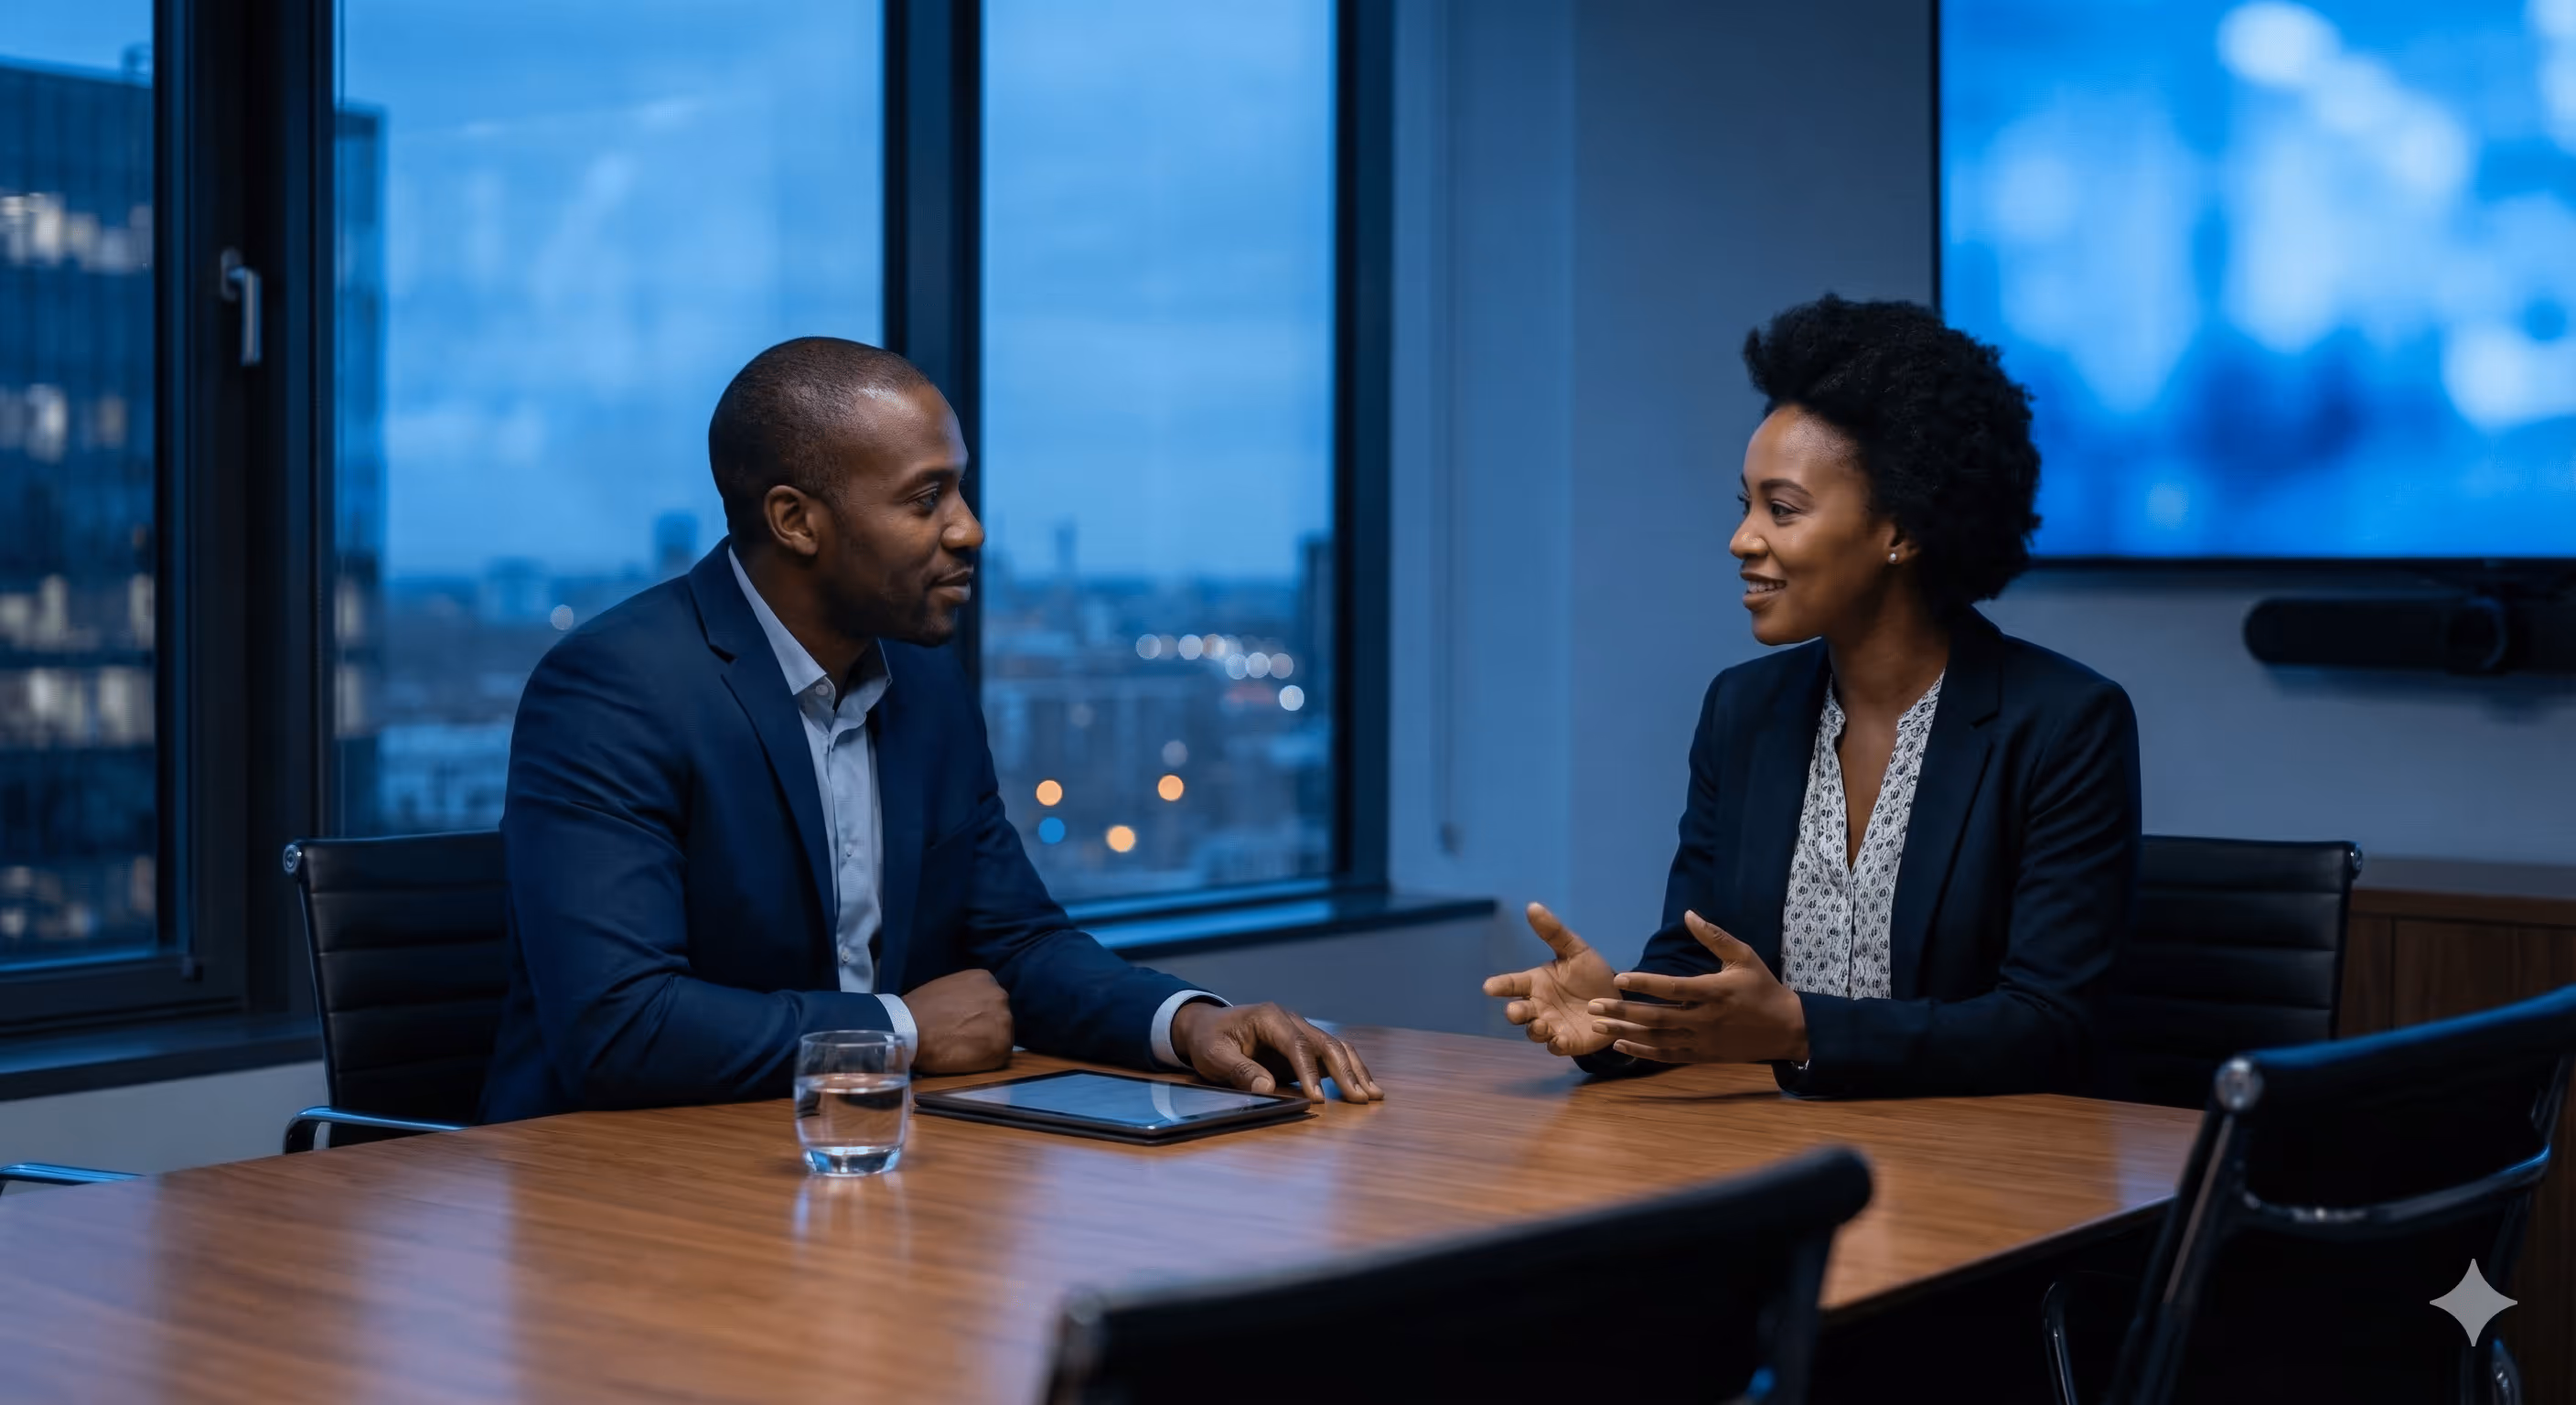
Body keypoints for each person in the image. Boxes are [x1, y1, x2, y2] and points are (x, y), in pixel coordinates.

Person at [481, 338, 1380, 1121]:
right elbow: (619, 1026)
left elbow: (1016, 942)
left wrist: (1189, 1024)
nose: (970, 531)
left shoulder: (922, 684)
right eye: (926, 500)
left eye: (962, 492)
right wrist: (901, 1030)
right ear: (796, 520)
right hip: (619, 1193)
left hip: (856, 1160)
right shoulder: (614, 689)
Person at [1483, 295, 2140, 1098]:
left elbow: (2048, 1025)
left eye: (1782, 509)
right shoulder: (1742, 712)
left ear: (1900, 529)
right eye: (1746, 505)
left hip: (1981, 1174)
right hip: (1785, 1164)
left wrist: (1800, 1029)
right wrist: (1615, 1018)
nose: (1742, 539)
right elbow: (1697, 967)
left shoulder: (2064, 722)